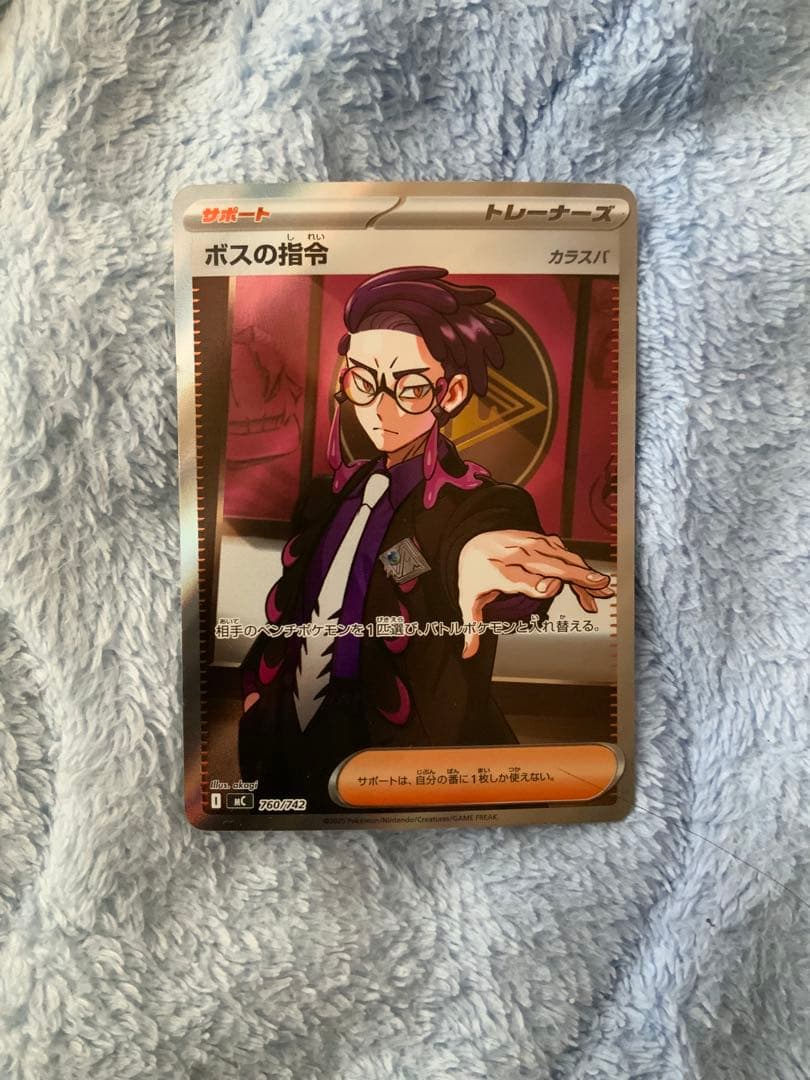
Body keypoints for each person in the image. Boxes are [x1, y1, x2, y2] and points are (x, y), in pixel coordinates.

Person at [238, 266, 613, 807]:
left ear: (451, 393)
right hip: (287, 735)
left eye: (410, 388)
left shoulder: (475, 503)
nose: (380, 408)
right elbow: (294, 607)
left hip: (406, 752)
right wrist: (256, 693)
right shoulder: (328, 496)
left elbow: (476, 545)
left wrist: (481, 564)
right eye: (364, 382)